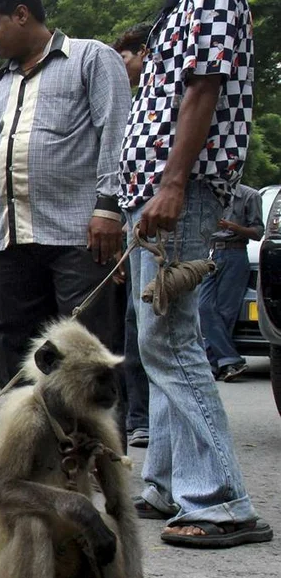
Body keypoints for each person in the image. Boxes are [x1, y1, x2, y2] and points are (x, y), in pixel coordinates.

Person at [117, 0, 271, 547]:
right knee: (157, 339)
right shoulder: (174, 8)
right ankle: (166, 483)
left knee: (173, 340)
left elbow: (203, 91)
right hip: (151, 195)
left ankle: (220, 501)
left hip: (175, 192)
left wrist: (173, 183)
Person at [0, 0, 131, 386]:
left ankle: (94, 449)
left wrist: (108, 207)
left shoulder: (92, 58)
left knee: (86, 353)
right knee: (16, 350)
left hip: (77, 238)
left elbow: (116, 135)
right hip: (9, 243)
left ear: (22, 14)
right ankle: (32, 447)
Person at [112, 23, 156, 448]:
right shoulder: (133, 103)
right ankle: (138, 420)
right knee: (134, 337)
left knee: (158, 341)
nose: (119, 66)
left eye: (123, 57)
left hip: (156, 222)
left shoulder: (164, 97)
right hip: (133, 225)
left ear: (144, 52)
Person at [199, 184, 264, 381]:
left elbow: (258, 232)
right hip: (207, 253)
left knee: (226, 312)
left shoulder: (250, 195)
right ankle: (230, 360)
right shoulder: (206, 191)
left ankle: (215, 365)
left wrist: (233, 227)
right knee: (203, 308)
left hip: (234, 253)